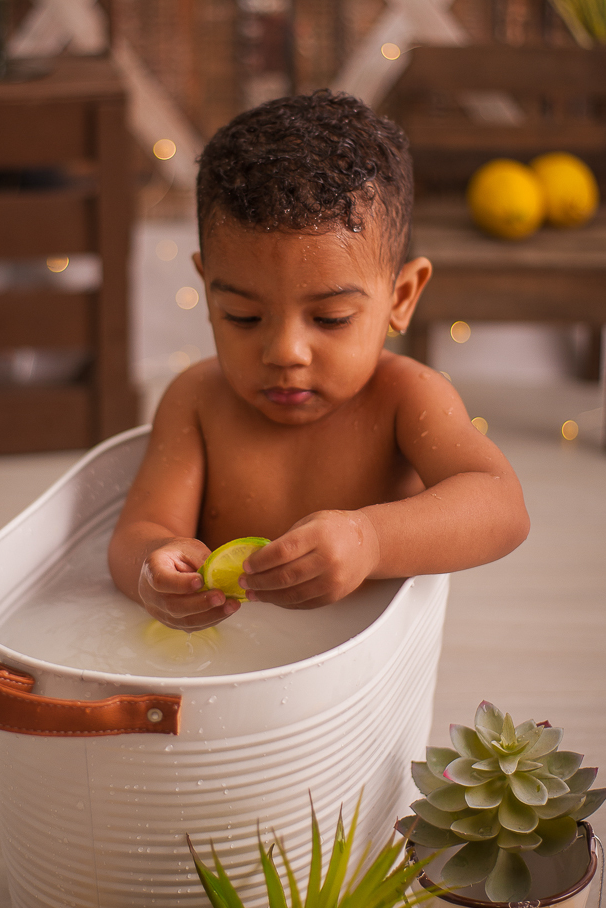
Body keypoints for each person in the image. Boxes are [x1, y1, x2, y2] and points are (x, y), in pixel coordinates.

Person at [108, 90, 529, 632]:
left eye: (330, 319)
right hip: (230, 665)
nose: (285, 353)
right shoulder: (197, 401)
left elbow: (502, 507)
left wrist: (370, 540)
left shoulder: (406, 398)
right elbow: (137, 531)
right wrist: (155, 568)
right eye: (241, 315)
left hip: (365, 667)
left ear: (401, 297)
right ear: (207, 289)